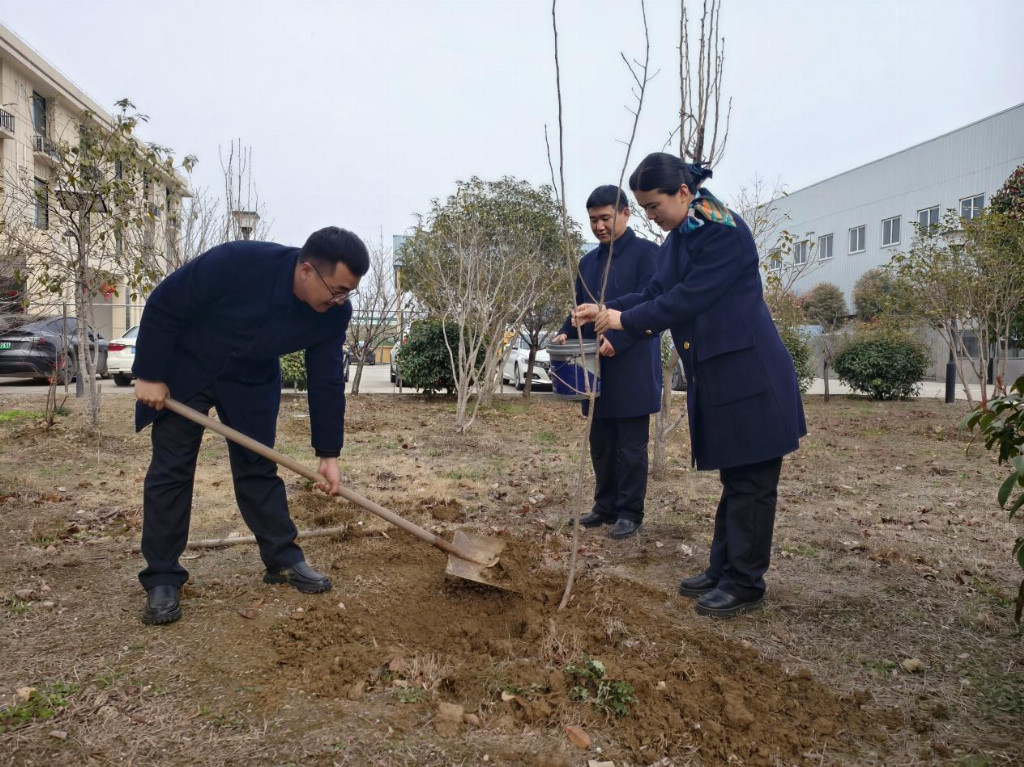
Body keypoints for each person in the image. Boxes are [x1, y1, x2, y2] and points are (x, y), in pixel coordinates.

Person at [574, 154, 806, 618]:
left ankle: (745, 581)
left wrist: (623, 320)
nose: (649, 216)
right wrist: (604, 309)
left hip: (751, 376)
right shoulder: (685, 232)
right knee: (736, 479)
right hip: (723, 375)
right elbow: (657, 289)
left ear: (682, 193)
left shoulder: (721, 231)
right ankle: (724, 568)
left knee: (753, 484)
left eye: (653, 206)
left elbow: (685, 299)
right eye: (642, 208)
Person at [132, 227, 370, 626]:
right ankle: (162, 577)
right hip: (189, 367)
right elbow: (165, 303)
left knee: (258, 465)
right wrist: (150, 373)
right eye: (337, 290)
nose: (340, 300)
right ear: (307, 270)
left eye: (348, 292)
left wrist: (329, 454)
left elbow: (326, 379)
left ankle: (282, 559)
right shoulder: (237, 262)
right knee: (172, 468)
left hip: (251, 379)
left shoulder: (333, 313)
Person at [555, 185, 662, 540]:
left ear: (625, 214)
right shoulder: (588, 262)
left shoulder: (648, 255)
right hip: (594, 370)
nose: (599, 226)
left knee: (631, 447)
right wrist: (564, 332)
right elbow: (580, 308)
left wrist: (619, 338)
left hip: (632, 364)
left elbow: (653, 306)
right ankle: (604, 505)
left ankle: (630, 511)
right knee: (601, 443)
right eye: (593, 220)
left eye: (605, 218)